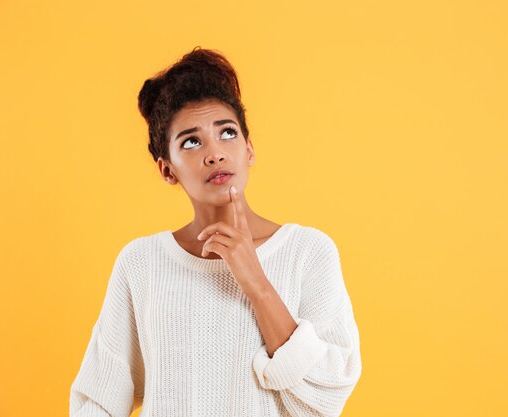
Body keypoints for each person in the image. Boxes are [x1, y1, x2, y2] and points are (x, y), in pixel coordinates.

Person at [69, 46, 362, 417]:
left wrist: (255, 280)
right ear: (166, 170)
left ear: (249, 149)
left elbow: (328, 393)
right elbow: (98, 399)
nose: (214, 153)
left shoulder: (308, 252)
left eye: (227, 132)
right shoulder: (141, 264)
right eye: (191, 141)